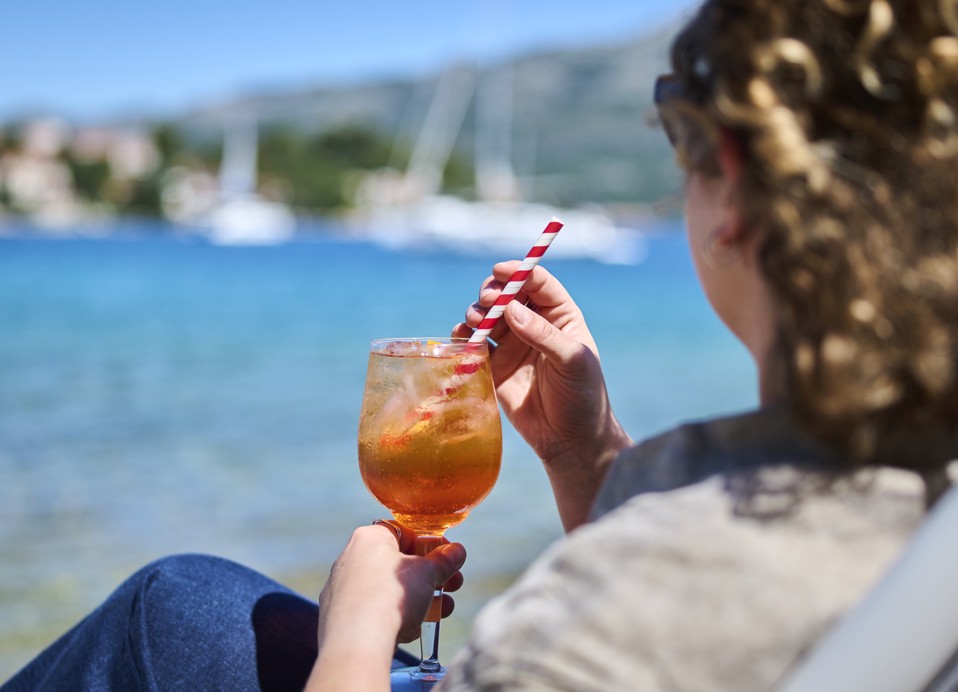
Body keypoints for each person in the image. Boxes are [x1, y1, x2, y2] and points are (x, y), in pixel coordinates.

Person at [6, 0, 958, 689]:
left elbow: (652, 610)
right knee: (184, 603)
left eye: (681, 137)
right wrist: (584, 456)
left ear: (737, 187)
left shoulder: (612, 613)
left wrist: (358, 632)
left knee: (162, 613)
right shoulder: (910, 494)